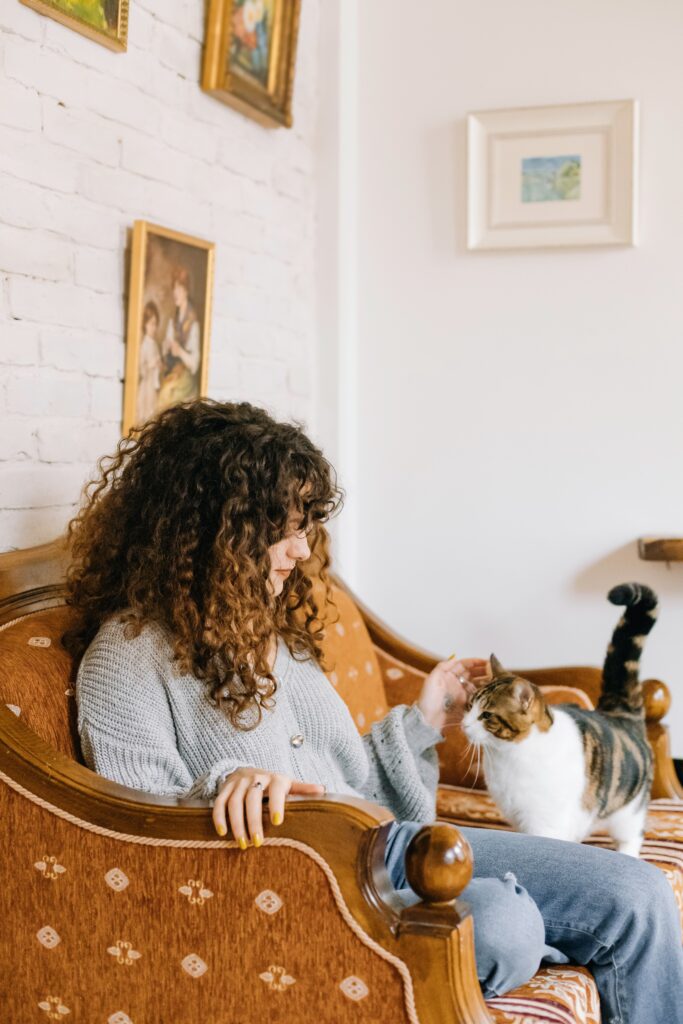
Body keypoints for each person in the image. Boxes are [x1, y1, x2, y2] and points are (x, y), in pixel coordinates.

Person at [67, 399, 683, 1022]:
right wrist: (224, 784)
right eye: (281, 527)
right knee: (505, 924)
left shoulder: (272, 631)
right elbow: (132, 833)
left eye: (306, 524)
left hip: (388, 847)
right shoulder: (125, 658)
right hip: (309, 883)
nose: (300, 550)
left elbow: (351, 782)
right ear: (210, 530)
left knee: (641, 894)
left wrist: (424, 717)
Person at [157, 266, 201, 411]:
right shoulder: (174, 319)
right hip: (174, 373)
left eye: (179, 289)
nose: (175, 293)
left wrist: (180, 352)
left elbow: (194, 364)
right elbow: (166, 348)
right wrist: (167, 347)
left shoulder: (193, 323)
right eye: (174, 289)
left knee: (166, 396)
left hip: (186, 379)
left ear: (186, 291)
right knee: (163, 394)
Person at [135, 301, 163, 425]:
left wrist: (159, 365)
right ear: (145, 324)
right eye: (152, 324)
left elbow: (158, 361)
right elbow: (142, 368)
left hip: (154, 384)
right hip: (147, 385)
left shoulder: (155, 344)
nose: (154, 328)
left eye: (156, 324)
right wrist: (152, 364)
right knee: (146, 411)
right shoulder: (144, 345)